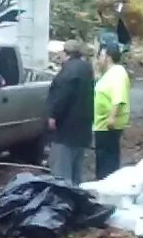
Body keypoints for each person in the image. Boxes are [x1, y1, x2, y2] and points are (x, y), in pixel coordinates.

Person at [45, 40, 94, 184]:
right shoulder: (87, 69)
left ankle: (64, 202)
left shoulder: (67, 72)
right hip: (82, 128)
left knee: (62, 172)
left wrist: (53, 116)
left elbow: (61, 96)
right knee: (76, 170)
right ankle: (77, 200)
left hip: (65, 130)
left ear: (65, 53)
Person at [93, 33, 131, 180]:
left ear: (108, 56)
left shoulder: (118, 73)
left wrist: (112, 117)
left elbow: (118, 97)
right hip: (101, 124)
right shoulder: (108, 73)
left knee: (107, 162)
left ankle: (106, 185)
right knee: (102, 159)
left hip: (108, 125)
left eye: (101, 54)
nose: (99, 58)